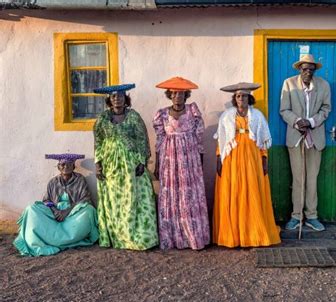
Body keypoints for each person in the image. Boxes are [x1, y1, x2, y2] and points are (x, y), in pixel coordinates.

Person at [213, 82, 281, 248]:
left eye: (244, 96)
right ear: (234, 99)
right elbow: (222, 140)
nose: (241, 99)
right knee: (233, 192)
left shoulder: (257, 116)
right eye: (238, 96)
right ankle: (233, 236)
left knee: (252, 191)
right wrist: (219, 159)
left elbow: (263, 140)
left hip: (252, 158)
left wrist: (264, 159)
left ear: (249, 98)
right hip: (232, 158)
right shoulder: (227, 116)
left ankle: (253, 233)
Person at [93, 84, 159, 250]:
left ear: (126, 99)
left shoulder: (133, 116)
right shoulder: (103, 119)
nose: (117, 99)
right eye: (114, 97)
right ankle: (117, 237)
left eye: (121, 96)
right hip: (110, 165)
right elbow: (98, 142)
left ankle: (136, 236)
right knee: (115, 200)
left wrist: (142, 161)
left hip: (131, 164)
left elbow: (142, 139)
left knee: (135, 198)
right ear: (109, 99)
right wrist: (98, 164)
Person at [153, 77, 210, 250]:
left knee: (189, 195)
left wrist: (199, 163)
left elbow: (199, 139)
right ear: (169, 95)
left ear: (186, 95)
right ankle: (172, 237)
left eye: (181, 94)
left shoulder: (193, 112)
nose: (178, 96)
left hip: (189, 158)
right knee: (171, 195)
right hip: (169, 159)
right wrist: (157, 165)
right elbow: (159, 140)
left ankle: (192, 236)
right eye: (174, 93)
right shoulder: (161, 114)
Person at [280, 54, 331, 231]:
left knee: (312, 179)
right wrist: (297, 121)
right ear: (299, 69)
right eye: (304, 69)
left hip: (315, 137)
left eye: (311, 69)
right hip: (296, 137)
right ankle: (296, 216)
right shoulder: (289, 84)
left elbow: (326, 109)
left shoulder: (323, 85)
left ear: (314, 70)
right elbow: (284, 109)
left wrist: (310, 122)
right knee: (298, 178)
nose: (308, 72)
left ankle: (312, 215)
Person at [13, 154, 99, 256]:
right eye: (62, 164)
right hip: (54, 213)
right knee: (31, 209)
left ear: (74, 167)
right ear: (58, 167)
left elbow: (85, 198)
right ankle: (46, 240)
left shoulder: (80, 179)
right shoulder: (53, 182)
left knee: (89, 210)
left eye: (69, 164)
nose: (65, 167)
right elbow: (47, 200)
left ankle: (66, 240)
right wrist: (55, 211)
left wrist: (66, 211)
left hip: (73, 214)